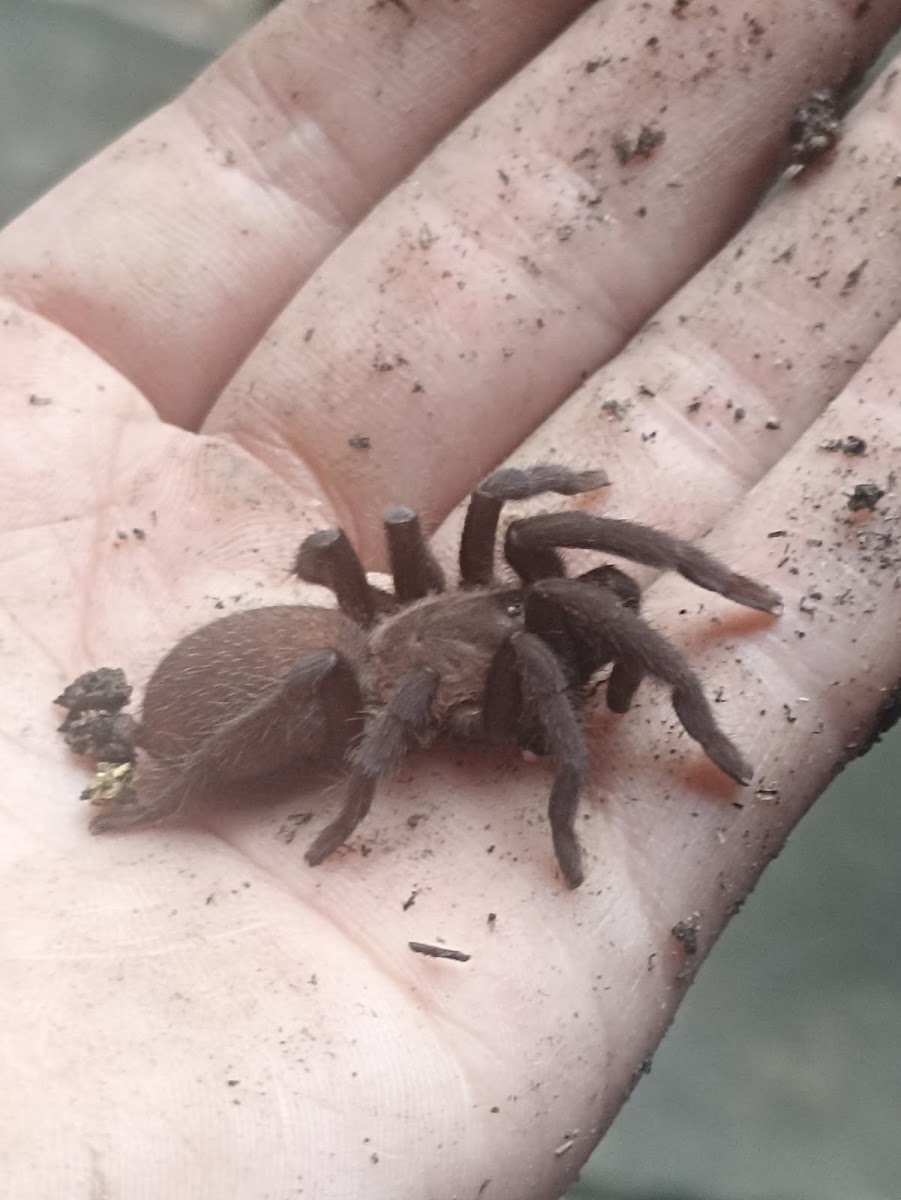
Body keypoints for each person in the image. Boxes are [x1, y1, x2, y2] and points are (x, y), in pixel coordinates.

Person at [1, 3, 898, 1196]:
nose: (559, 614)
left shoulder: (488, 585)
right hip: (294, 684)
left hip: (359, 642)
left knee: (525, 555)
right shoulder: (439, 673)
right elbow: (495, 671)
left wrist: (698, 581)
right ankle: (168, 771)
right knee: (361, 660)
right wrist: (553, 797)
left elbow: (554, 558)